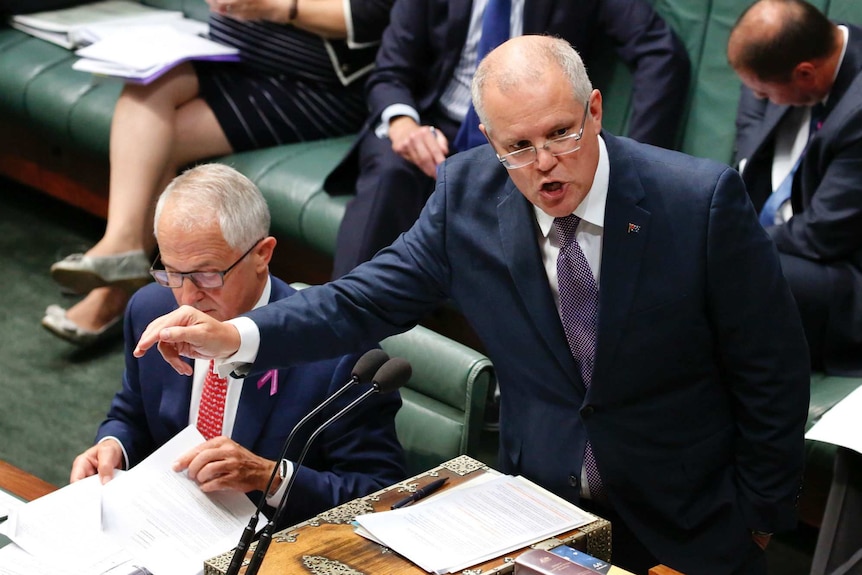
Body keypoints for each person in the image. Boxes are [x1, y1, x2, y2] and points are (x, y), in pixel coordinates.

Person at [134, 36, 809, 574]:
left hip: (692, 521)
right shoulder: (468, 195)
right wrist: (235, 334)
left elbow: (772, 369)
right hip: (543, 510)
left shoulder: (698, 202)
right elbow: (361, 300)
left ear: (596, 110)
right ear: (486, 137)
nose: (545, 164)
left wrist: (757, 517)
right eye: (517, 145)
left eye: (562, 134)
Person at [70, 164, 405, 528]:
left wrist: (269, 477)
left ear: (262, 254)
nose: (186, 296)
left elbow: (381, 495)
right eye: (172, 272)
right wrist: (113, 448)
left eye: (206, 275)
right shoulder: (151, 309)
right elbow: (131, 414)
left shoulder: (340, 357)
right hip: (164, 530)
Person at [41, 0, 394, 345]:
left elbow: (372, 15)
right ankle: (122, 245)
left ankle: (113, 293)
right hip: (232, 55)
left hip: (317, 86)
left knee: (157, 142)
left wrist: (276, 7)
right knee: (148, 90)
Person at [327, 0, 692, 278]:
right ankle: (340, 353)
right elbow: (390, 72)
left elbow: (660, 54)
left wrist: (628, 164)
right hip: (437, 126)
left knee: (541, 182)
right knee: (390, 170)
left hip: (527, 138)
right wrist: (404, 123)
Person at [727, 0, 862, 376]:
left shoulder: (858, 114)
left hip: (845, 275)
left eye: (766, 93)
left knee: (736, 266)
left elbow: (823, 235)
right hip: (789, 235)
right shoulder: (808, 43)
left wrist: (733, 237)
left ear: (805, 74)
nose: (758, 101)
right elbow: (752, 120)